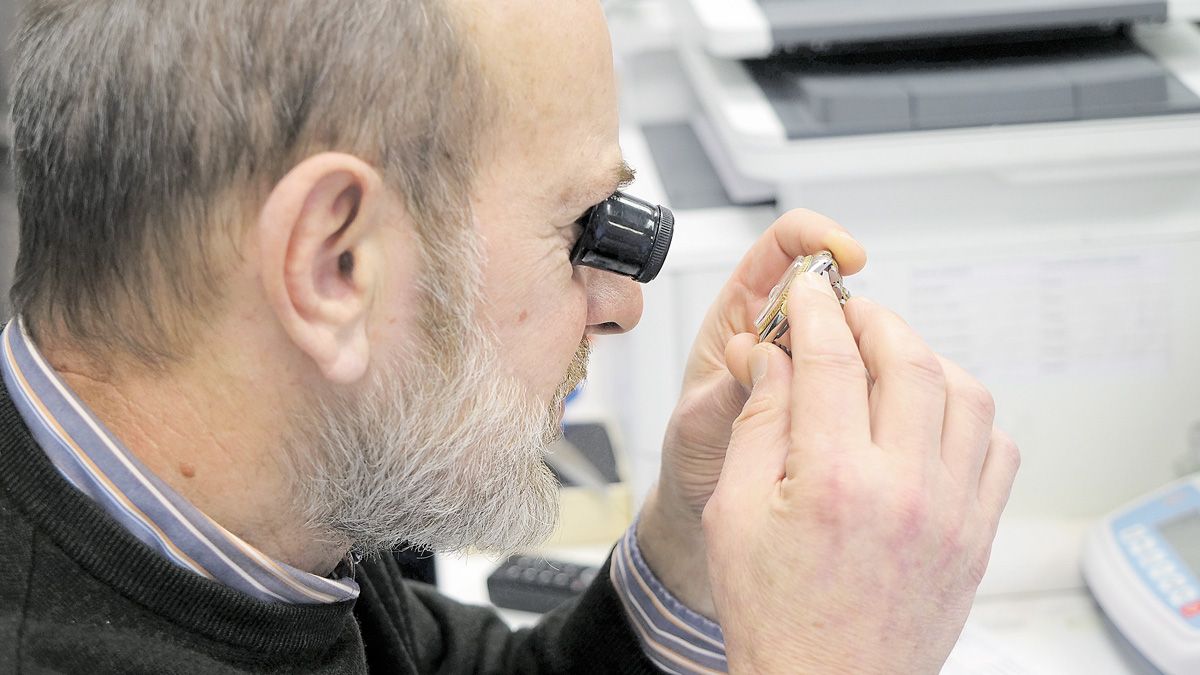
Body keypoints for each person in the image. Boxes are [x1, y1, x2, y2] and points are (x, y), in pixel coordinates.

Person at [0, 1, 1020, 673]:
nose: (621, 306)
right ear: (334, 265)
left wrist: (689, 544)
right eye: (583, 226)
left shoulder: (266, 516)